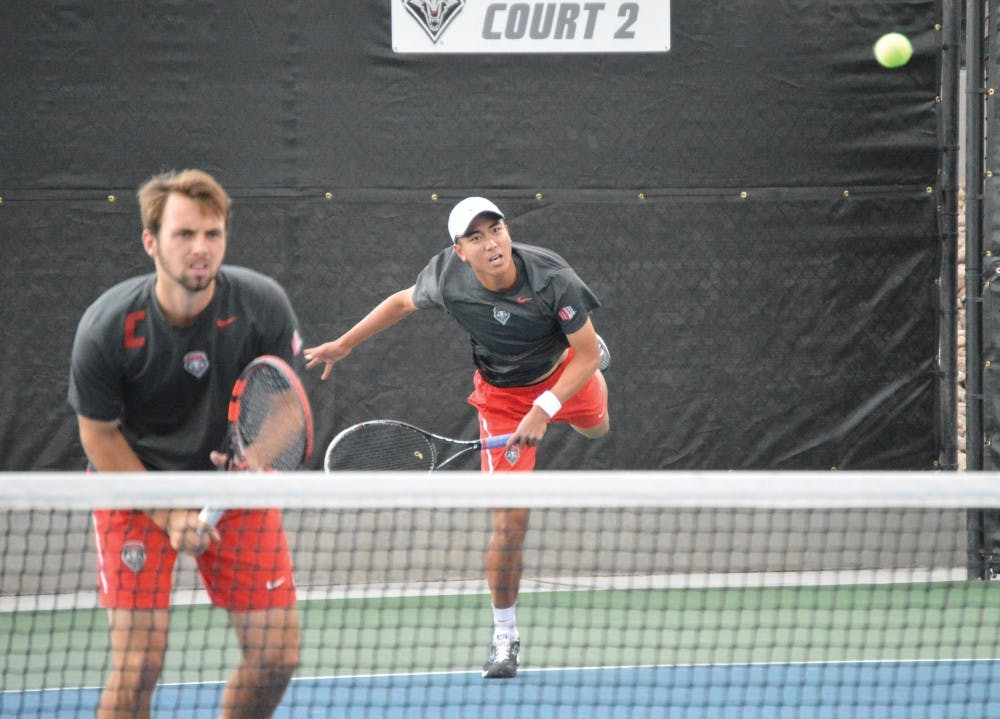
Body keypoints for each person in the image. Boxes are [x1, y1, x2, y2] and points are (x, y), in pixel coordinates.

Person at [304, 196, 610, 679]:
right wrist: (344, 344)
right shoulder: (448, 278)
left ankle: (575, 383)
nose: (492, 244)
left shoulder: (553, 278)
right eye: (476, 237)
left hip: (567, 372)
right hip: (504, 400)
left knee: (597, 428)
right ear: (460, 250)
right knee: (510, 523)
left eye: (496, 229)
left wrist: (547, 407)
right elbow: (401, 302)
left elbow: (588, 357)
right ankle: (505, 636)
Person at [68, 169, 303, 718]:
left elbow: (288, 406)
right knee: (139, 668)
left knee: (277, 657)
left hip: (233, 485)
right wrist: (171, 515)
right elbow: (98, 436)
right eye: (184, 234)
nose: (201, 248)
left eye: (213, 234)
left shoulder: (261, 305)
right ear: (151, 242)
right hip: (135, 487)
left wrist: (252, 462)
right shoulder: (107, 327)